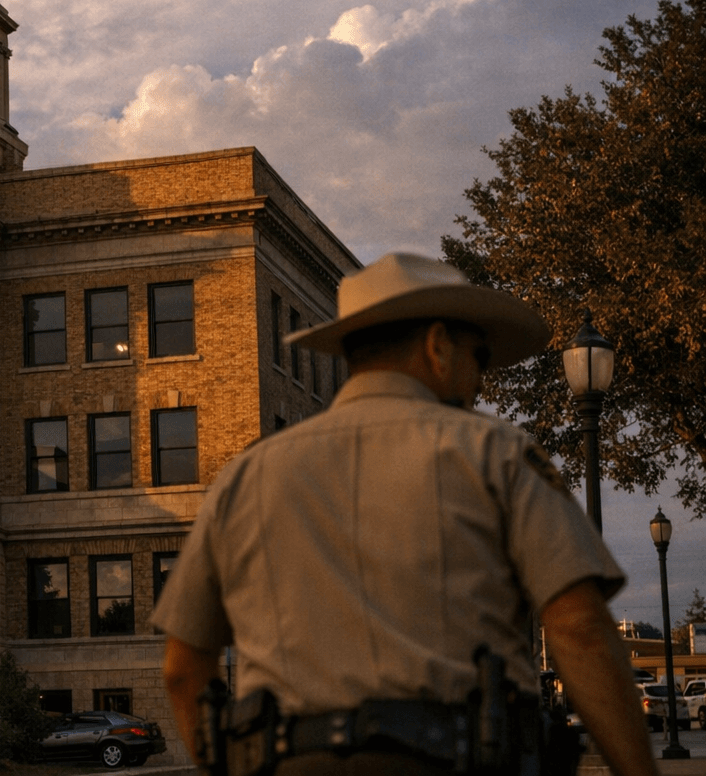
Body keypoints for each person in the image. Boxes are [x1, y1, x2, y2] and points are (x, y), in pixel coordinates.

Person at [153, 252, 658, 776]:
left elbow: (182, 670)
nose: (481, 382)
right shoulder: (496, 453)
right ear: (438, 346)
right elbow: (579, 626)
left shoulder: (244, 478)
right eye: (479, 357)